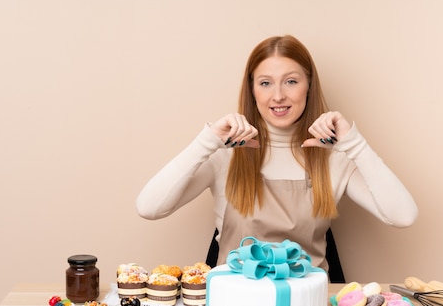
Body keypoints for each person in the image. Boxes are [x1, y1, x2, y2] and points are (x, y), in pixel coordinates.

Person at [136, 35, 418, 281]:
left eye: (291, 81)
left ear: (309, 86)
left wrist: (353, 143)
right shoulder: (224, 155)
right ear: (252, 90)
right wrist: (207, 141)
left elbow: (403, 216)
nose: (279, 96)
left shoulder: (335, 160)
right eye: (266, 83)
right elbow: (149, 208)